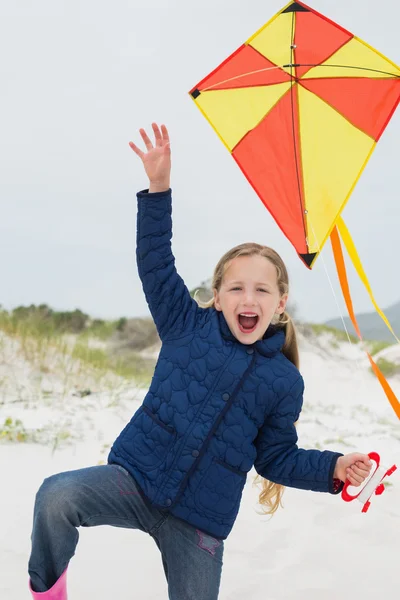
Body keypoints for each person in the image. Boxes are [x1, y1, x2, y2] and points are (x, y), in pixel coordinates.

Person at [28, 123, 372, 600]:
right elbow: (155, 264)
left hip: (199, 523)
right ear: (216, 296)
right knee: (55, 496)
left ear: (280, 303)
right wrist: (158, 190)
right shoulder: (185, 324)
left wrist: (333, 467)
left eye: (261, 290)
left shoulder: (284, 382)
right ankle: (47, 592)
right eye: (236, 287)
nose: (246, 298)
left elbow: (276, 458)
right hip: (135, 480)